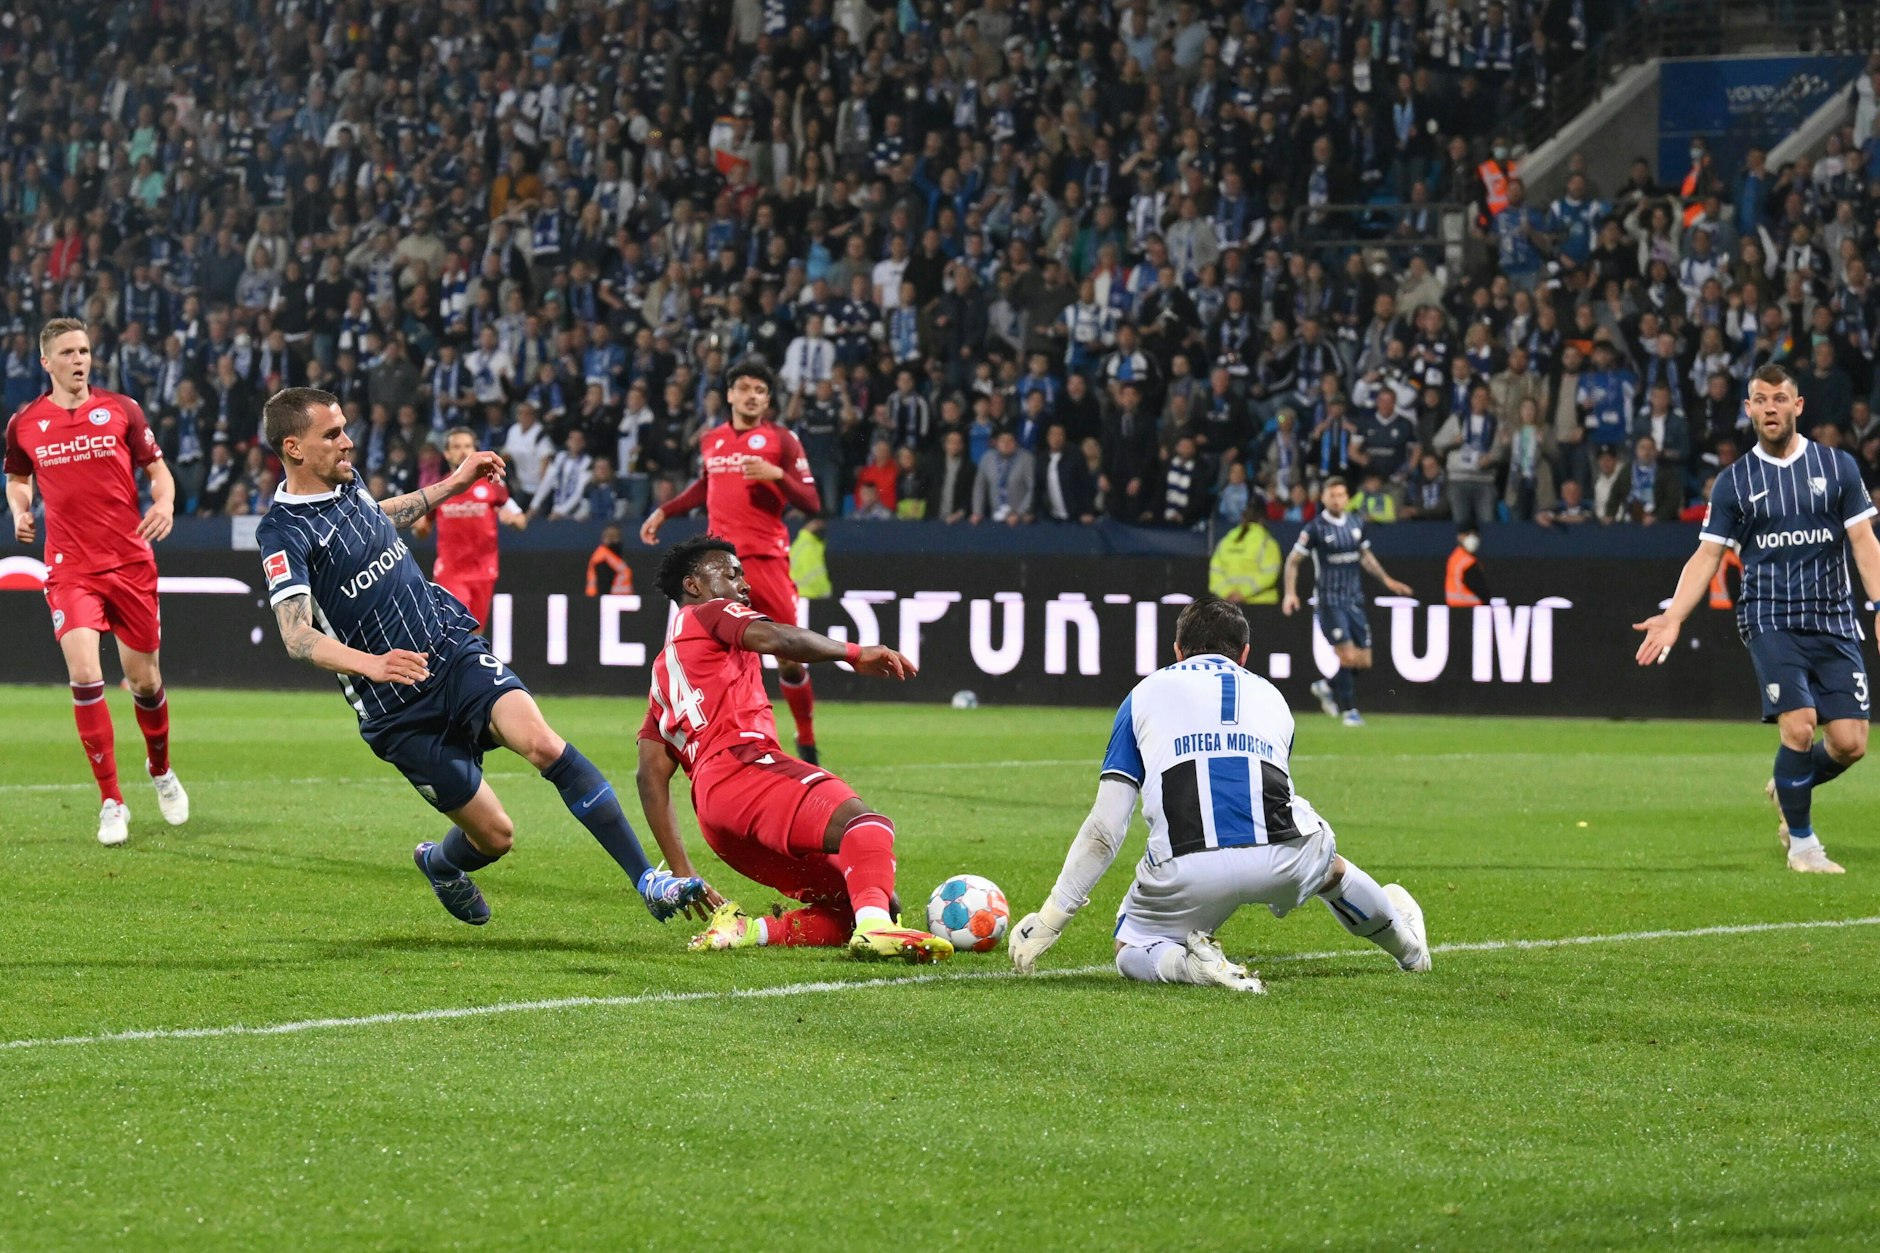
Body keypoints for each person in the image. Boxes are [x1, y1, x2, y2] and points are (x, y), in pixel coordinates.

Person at [255, 387, 710, 924]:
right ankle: (442, 864)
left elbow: (379, 518)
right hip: (395, 707)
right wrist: (372, 663)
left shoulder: (348, 484)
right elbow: (296, 635)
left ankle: (648, 881)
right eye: (331, 434)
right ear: (294, 447)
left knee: (543, 744)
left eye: (345, 428)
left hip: (449, 649)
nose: (347, 442)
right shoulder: (282, 532)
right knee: (496, 836)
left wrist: (453, 484)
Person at [1008, 596, 1430, 990]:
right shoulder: (1273, 697)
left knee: (1131, 948)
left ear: (1176, 650)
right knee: (1332, 870)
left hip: (1185, 868)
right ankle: (1409, 950)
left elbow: (1105, 827)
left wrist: (1051, 919)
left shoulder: (1143, 695)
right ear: (1245, 655)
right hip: (1282, 855)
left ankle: (1189, 967)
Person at [636, 535, 953, 963]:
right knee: (864, 823)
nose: (744, 586)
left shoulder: (663, 674)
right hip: (744, 769)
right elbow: (778, 639)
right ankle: (878, 934)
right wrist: (854, 652)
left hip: (717, 819)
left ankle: (751, 930)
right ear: (693, 586)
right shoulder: (710, 613)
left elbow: (649, 776)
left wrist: (684, 873)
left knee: (864, 902)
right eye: (731, 575)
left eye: (744, 576)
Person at [1634, 364, 1880, 874]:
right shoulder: (1734, 482)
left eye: (1780, 398)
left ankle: (1790, 781)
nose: (1770, 408)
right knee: (1799, 727)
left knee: (1851, 743)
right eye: (1761, 400)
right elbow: (1706, 556)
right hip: (1770, 617)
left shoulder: (1838, 468)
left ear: (1798, 406)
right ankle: (1804, 846)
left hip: (1834, 618)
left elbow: (1863, 543)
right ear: (1748, 409)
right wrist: (1674, 616)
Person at [4, 318, 188, 845]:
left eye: (84, 350)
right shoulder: (26, 423)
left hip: (130, 563)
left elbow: (157, 469)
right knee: (85, 676)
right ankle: (111, 801)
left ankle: (161, 770)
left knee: (146, 682)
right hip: (69, 568)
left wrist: (166, 502)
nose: (79, 359)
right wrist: (20, 509)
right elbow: (17, 477)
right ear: (47, 362)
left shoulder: (122, 410)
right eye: (68, 352)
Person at [638, 360, 827, 762]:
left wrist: (777, 473)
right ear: (729, 394)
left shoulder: (782, 440)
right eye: (744, 388)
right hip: (716, 569)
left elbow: (812, 502)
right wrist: (666, 511)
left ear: (768, 399)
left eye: (760, 389)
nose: (752, 395)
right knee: (692, 650)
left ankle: (806, 741)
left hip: (766, 559)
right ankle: (682, 738)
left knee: (789, 661)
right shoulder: (713, 440)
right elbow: (707, 485)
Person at [1282, 476, 1414, 727]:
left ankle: (1326, 685)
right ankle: (1350, 711)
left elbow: (1365, 556)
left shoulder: (1356, 523)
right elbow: (1293, 561)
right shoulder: (1314, 528)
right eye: (1332, 495)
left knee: (1364, 660)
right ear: (1323, 498)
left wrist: (1388, 581)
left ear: (1347, 497)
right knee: (1348, 656)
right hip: (1329, 601)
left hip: (1354, 599)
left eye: (1341, 494)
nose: (1337, 499)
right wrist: (1290, 593)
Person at [414, 425, 527, 631]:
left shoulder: (493, 485)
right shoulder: (438, 489)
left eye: (468, 446)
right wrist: (418, 527)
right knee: (457, 629)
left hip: (484, 571)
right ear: (447, 453)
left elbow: (521, 521)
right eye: (456, 446)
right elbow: (422, 530)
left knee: (475, 633)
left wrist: (513, 519)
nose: (463, 451)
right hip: (451, 572)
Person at [1208, 505, 1282, 604]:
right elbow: (1270, 574)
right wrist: (1243, 593)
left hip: (1229, 606)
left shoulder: (1225, 541)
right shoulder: (1267, 542)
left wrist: (1228, 593)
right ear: (1262, 521)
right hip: (1261, 605)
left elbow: (1215, 572)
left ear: (1242, 519)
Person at [1444, 526, 1487, 607]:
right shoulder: (1468, 562)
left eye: (1475, 535)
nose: (1472, 538)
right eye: (1468, 534)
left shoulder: (1454, 557)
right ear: (1459, 537)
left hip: (1453, 606)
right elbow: (1480, 589)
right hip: (1470, 607)